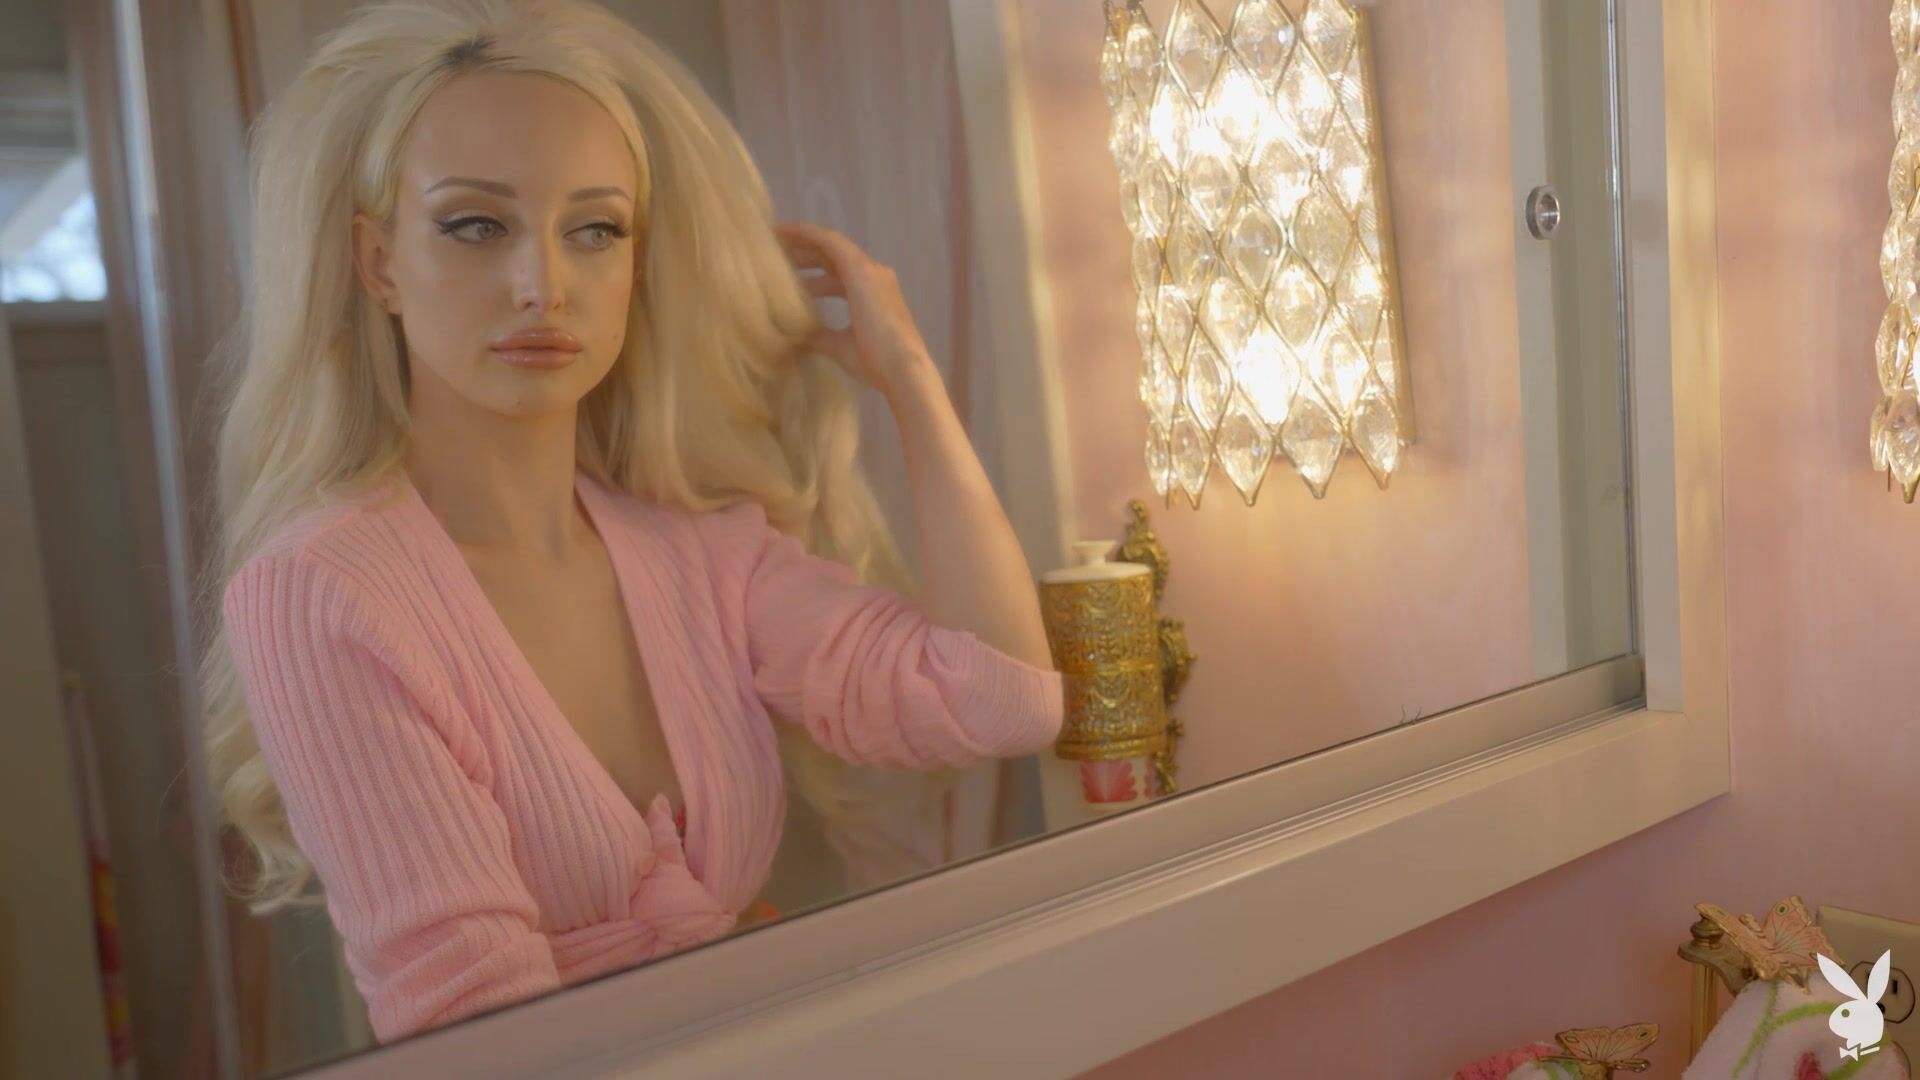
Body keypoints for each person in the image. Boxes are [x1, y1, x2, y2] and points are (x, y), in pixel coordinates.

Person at [199, 0, 1063, 1043]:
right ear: (377, 263)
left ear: (635, 266)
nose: (543, 286)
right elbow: (480, 1035)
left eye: (595, 230)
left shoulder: (699, 552)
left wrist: (910, 380)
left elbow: (999, 704)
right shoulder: (322, 593)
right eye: (476, 225)